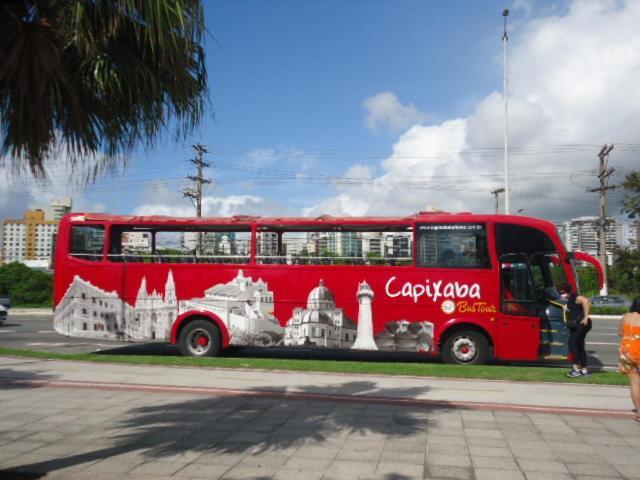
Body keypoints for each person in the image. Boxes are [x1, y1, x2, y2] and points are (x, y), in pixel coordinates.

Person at [560, 283, 592, 377]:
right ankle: (584, 370)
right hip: (578, 325)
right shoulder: (570, 299)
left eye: (562, 292)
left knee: (572, 344)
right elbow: (576, 309)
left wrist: (586, 317)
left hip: (581, 324)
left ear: (566, 291)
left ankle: (576, 369)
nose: (561, 294)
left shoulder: (574, 296)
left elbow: (586, 301)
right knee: (579, 346)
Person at [619, 297, 640, 423]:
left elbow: (621, 333)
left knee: (634, 384)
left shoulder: (626, 316)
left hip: (626, 351)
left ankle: (639, 412)